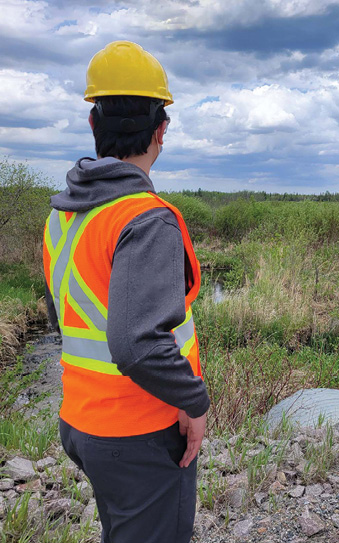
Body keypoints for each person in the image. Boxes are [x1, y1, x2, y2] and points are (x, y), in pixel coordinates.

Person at [43, 41, 210, 543]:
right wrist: (194, 402)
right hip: (139, 431)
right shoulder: (146, 218)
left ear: (93, 124)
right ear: (161, 131)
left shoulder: (64, 216)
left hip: (82, 420)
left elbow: (64, 318)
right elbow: (137, 343)